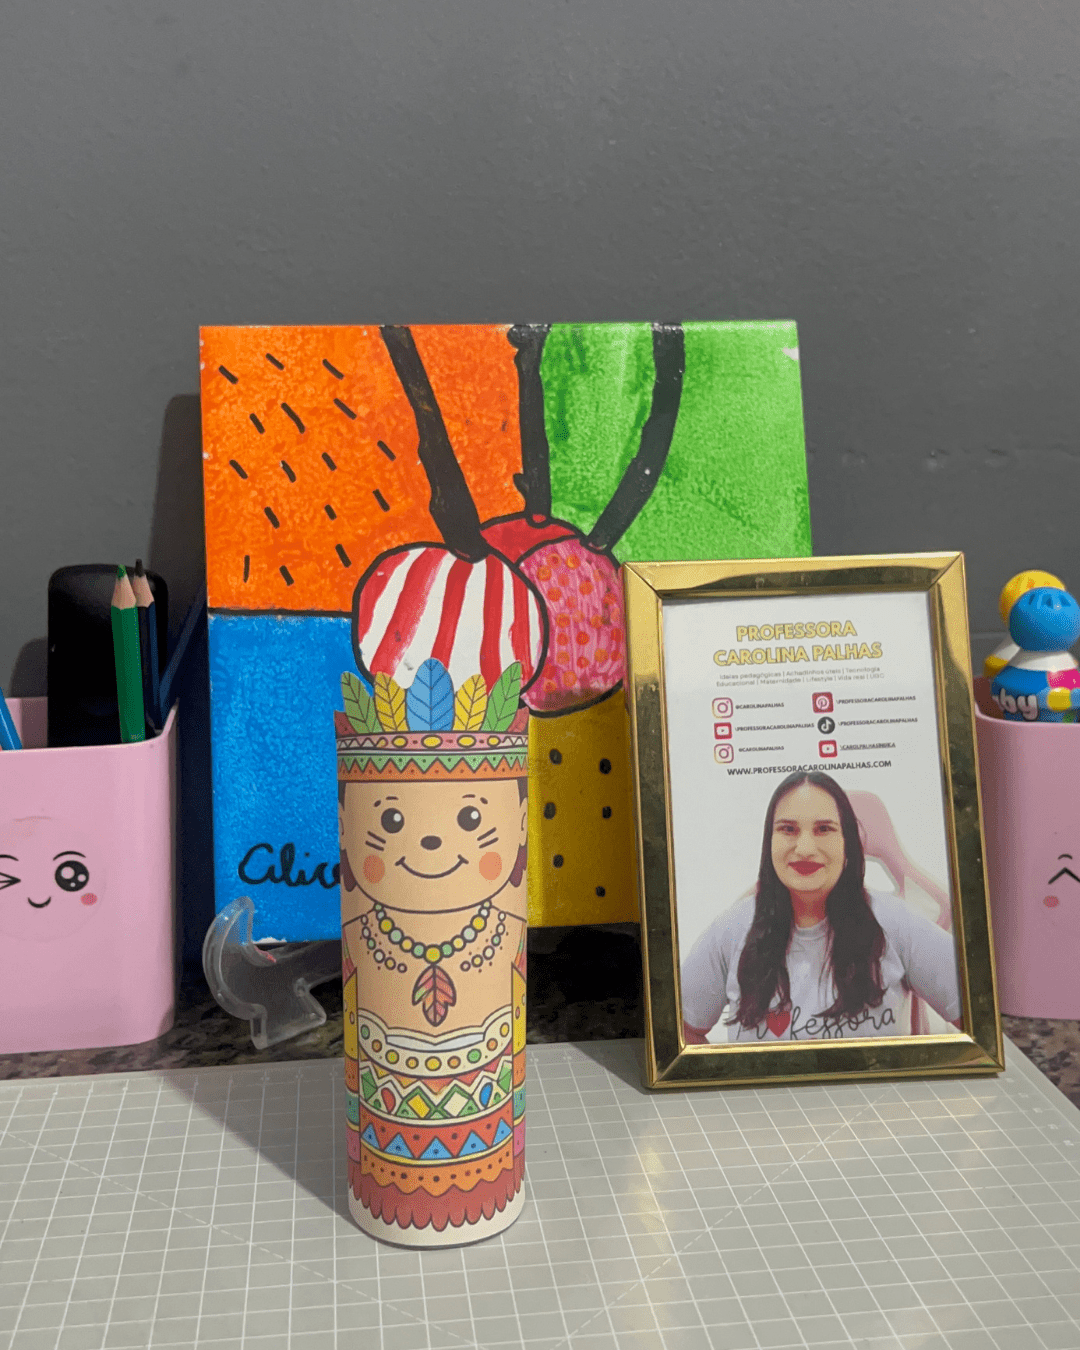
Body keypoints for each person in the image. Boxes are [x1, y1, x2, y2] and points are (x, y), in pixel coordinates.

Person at [681, 771, 962, 1042]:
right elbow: (679, 1032)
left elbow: (978, 1018)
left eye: (824, 829)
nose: (805, 848)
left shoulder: (897, 923)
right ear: (769, 841)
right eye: (788, 829)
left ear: (847, 842)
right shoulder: (731, 930)